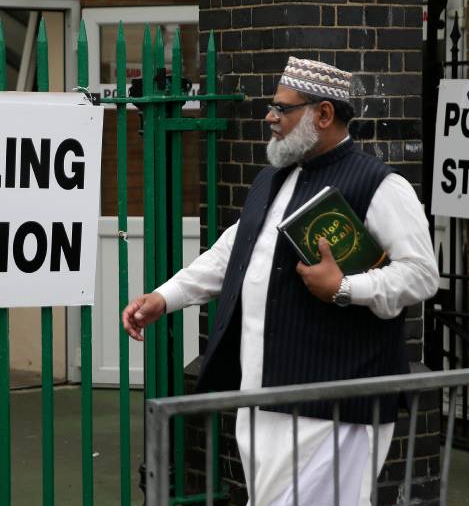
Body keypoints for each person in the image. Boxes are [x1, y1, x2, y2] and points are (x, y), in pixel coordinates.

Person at [122, 57, 439, 505]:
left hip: (334, 404)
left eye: (282, 108)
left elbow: (422, 274)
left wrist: (347, 288)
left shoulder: (380, 185)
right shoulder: (273, 178)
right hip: (265, 396)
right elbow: (232, 253)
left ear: (323, 114)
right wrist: (164, 297)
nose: (269, 117)